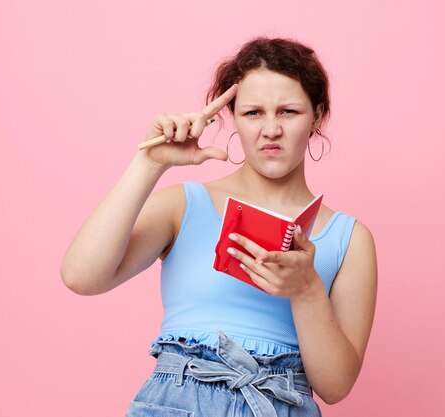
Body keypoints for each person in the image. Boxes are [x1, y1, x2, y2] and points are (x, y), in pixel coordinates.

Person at [61, 37, 378, 417]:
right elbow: (81, 276)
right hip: (179, 398)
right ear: (233, 118)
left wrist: (306, 290)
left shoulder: (349, 239)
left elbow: (335, 386)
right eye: (253, 113)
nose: (271, 130)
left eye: (289, 112)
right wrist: (150, 163)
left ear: (317, 115)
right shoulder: (183, 205)